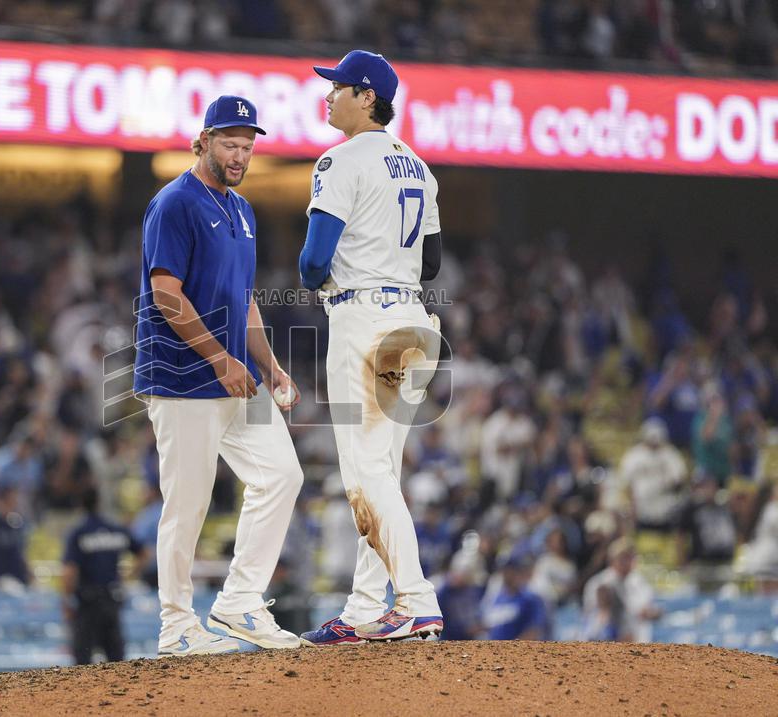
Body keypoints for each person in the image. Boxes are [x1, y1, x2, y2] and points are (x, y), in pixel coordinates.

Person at [134, 95, 304, 656]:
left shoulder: (242, 209)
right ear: (202, 141)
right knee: (188, 502)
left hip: (234, 378)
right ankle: (177, 623)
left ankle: (238, 603)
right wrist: (219, 358)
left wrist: (271, 366)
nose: (240, 154)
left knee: (282, 475)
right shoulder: (175, 202)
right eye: (230, 143)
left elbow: (244, 300)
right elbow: (165, 292)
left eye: (248, 145)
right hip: (183, 376)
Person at [297, 50, 444, 645]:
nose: (327, 95)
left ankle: (414, 599)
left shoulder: (340, 158)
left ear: (365, 95)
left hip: (366, 323)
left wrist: (325, 276)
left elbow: (311, 264)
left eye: (336, 86)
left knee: (363, 473)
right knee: (378, 471)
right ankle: (363, 607)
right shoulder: (421, 167)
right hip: (416, 322)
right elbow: (431, 263)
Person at [62, 487, 143, 664]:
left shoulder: (79, 532)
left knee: (82, 660)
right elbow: (144, 552)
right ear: (99, 502)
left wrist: (66, 600)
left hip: (87, 603)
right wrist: (128, 576)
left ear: (80, 505)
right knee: (116, 660)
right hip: (111, 600)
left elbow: (69, 571)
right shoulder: (115, 529)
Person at [480, 553, 548, 641]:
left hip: (521, 651)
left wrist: (514, 649)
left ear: (520, 573)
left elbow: (535, 630)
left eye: (513, 571)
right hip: (493, 650)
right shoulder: (496, 598)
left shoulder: (531, 598)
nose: (509, 575)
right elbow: (484, 625)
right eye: (506, 571)